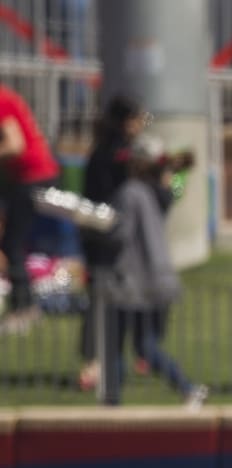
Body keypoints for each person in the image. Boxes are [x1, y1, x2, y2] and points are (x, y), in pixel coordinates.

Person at [99, 136, 206, 410]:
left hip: (133, 281)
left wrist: (95, 229)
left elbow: (119, 233)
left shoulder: (131, 192)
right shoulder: (158, 193)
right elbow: (175, 188)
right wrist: (175, 170)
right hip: (157, 279)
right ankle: (186, 388)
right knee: (145, 345)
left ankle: (113, 402)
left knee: (118, 345)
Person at [77, 96, 151, 387]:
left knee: (110, 302)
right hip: (108, 241)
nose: (140, 124)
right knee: (103, 303)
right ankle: (99, 364)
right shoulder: (116, 154)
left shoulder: (107, 151)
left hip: (104, 239)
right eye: (136, 119)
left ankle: (118, 360)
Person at [0, 82, 59, 333]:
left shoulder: (2, 100)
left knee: (12, 243)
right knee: (15, 241)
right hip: (30, 176)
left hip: (32, 176)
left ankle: (24, 307)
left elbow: (15, 144)